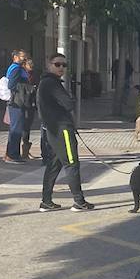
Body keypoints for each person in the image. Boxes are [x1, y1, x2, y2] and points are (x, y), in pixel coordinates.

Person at [37, 53, 94, 212]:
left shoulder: (45, 82)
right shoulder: (52, 83)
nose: (61, 67)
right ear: (49, 65)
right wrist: (70, 100)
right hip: (62, 129)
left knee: (54, 165)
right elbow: (68, 103)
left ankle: (46, 201)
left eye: (64, 65)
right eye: (57, 64)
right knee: (71, 163)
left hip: (52, 130)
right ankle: (79, 201)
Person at [2, 49, 29, 163]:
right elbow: (12, 84)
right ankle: (12, 155)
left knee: (15, 128)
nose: (25, 58)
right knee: (16, 128)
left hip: (16, 101)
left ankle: (11, 153)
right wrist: (24, 89)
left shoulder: (17, 68)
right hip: (17, 102)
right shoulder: (16, 69)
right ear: (16, 57)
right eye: (23, 56)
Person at [14, 57, 39, 160]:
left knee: (27, 127)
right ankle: (17, 151)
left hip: (31, 104)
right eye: (29, 65)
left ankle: (26, 150)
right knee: (21, 128)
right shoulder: (21, 75)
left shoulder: (34, 75)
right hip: (22, 103)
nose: (31, 68)